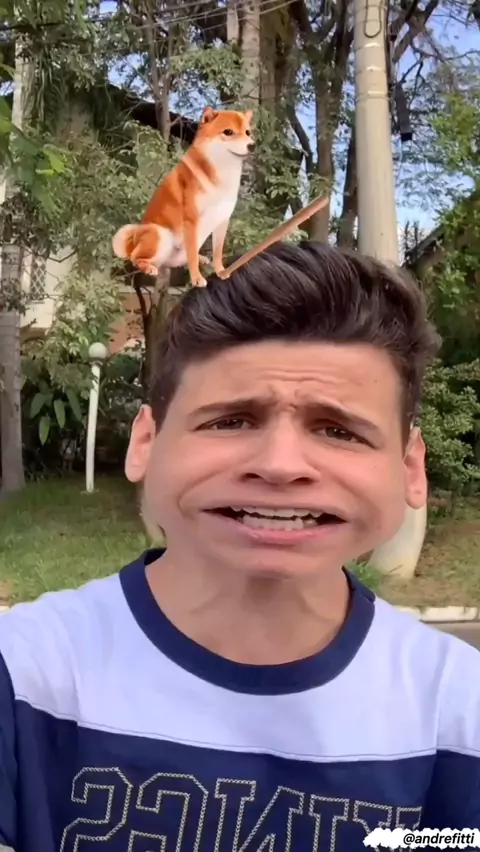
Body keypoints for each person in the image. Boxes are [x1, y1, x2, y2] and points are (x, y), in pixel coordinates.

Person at [1, 242, 479, 852]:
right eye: (230, 421)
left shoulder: (460, 715)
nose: (280, 465)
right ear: (146, 443)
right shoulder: (22, 681)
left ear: (410, 469)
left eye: (338, 430)